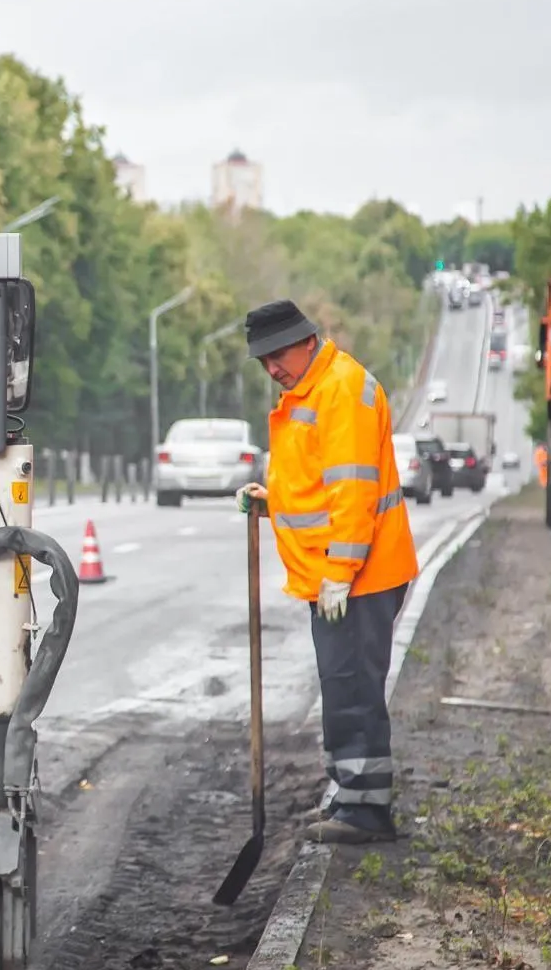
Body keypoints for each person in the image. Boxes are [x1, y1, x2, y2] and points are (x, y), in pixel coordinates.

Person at [234, 300, 419, 844]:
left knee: (353, 689)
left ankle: (366, 812)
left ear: (307, 340)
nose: (271, 368)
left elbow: (354, 491)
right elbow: (318, 485)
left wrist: (340, 571)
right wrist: (271, 500)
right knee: (343, 687)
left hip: (359, 575)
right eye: (262, 359)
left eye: (277, 354)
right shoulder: (312, 390)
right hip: (341, 575)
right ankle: (350, 795)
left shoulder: (341, 389)